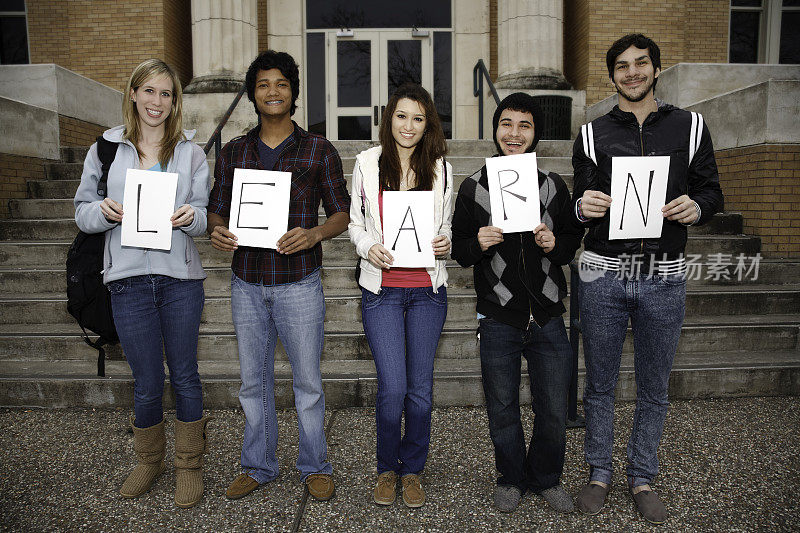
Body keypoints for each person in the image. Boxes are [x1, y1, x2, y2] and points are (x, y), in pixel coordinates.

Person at [571, 34, 724, 524]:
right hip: (604, 273)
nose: (632, 73)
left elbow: (711, 190)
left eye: (641, 64)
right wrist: (582, 207)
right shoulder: (592, 134)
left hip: (664, 273)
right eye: (622, 66)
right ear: (611, 75)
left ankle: (642, 475)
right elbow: (580, 200)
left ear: (656, 69)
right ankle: (599, 471)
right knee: (599, 383)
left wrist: (697, 207)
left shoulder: (691, 126)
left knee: (655, 384)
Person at [207, 50, 350, 502]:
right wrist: (216, 231)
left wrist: (314, 234)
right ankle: (259, 464)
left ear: (293, 92)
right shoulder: (234, 151)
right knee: (253, 381)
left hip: (299, 284)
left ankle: (314, 465)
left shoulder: (318, 149)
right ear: (253, 93)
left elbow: (342, 214)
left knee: (307, 381)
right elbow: (216, 208)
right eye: (264, 84)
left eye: (281, 84)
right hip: (247, 282)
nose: (273, 91)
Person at [74, 59, 211, 508]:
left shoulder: (191, 153)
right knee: (147, 381)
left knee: (186, 376)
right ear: (133, 93)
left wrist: (193, 218)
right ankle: (149, 461)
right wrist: (104, 212)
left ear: (175, 102)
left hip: (180, 280)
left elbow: (205, 217)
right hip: (127, 280)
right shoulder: (106, 148)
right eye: (149, 91)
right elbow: (82, 211)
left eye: (166, 94)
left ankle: (189, 465)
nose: (157, 102)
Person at [451, 93, 584, 513]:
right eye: (506, 124)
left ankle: (546, 477)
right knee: (503, 406)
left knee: (553, 408)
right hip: (498, 316)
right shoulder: (473, 186)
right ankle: (510, 477)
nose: (514, 133)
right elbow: (458, 249)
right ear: (495, 130)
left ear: (535, 134)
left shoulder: (552, 185)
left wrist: (552, 243)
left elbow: (569, 243)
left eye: (524, 125)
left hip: (546, 315)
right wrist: (479, 242)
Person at [348, 83, 452, 508]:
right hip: (383, 291)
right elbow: (355, 223)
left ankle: (413, 470)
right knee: (393, 388)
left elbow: (445, 224)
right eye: (401, 116)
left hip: (427, 291)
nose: (408, 126)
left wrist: (444, 240)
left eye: (418, 118)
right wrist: (365, 246)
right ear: (389, 118)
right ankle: (386, 467)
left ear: (428, 124)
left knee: (420, 391)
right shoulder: (367, 164)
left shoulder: (441, 167)